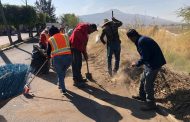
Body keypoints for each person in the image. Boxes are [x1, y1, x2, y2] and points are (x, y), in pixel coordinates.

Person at [126, 29, 166, 111]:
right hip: (150, 63)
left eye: (130, 39)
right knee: (142, 79)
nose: (131, 41)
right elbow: (146, 56)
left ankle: (151, 104)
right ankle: (142, 96)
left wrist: (137, 64)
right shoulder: (141, 39)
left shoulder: (142, 41)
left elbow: (145, 57)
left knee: (148, 84)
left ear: (133, 37)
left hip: (154, 64)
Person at [47, 26, 72, 94]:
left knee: (60, 73)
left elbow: (48, 51)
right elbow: (70, 45)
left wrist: (48, 57)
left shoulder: (50, 39)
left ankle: (63, 89)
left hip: (58, 59)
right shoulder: (66, 36)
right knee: (63, 72)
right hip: (69, 58)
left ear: (51, 32)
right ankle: (60, 84)